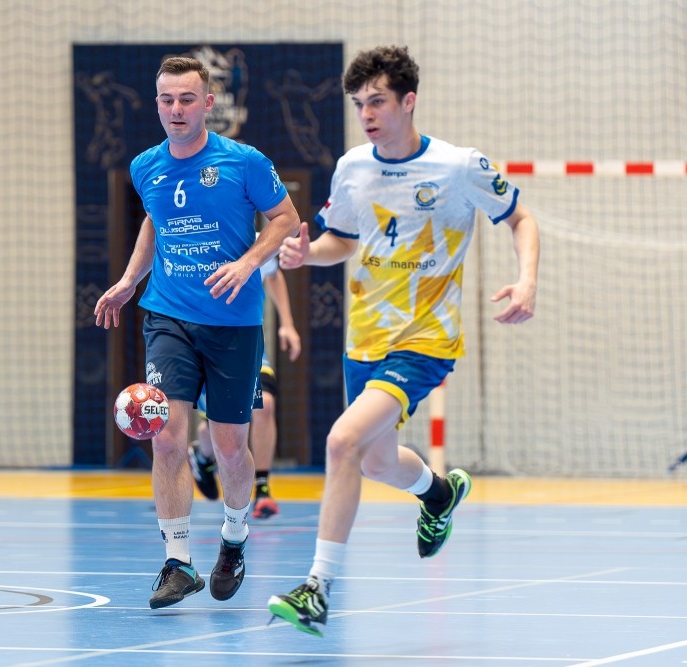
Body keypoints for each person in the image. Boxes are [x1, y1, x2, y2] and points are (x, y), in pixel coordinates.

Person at [267, 45, 540, 637]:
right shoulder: (351, 167)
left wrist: (526, 281)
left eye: (378, 102)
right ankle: (437, 494)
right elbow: (343, 241)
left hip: (425, 339)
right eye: (358, 103)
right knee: (376, 461)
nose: (366, 114)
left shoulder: (458, 166)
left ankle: (316, 589)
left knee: (341, 442)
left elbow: (521, 218)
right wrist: (304, 254)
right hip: (365, 338)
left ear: (408, 101)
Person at [93, 56, 301, 609]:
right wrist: (129, 281)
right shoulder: (145, 167)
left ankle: (233, 539)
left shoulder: (244, 161)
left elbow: (285, 219)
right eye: (167, 100)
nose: (176, 109)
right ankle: (178, 561)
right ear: (157, 104)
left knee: (230, 447)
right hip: (168, 316)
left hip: (233, 320)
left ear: (207, 103)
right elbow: (154, 222)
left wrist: (249, 262)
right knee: (165, 435)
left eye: (187, 99)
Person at [188, 256, 302, 519]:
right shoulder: (197, 244)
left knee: (265, 404)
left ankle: (262, 488)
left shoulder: (256, 242)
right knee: (218, 428)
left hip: (247, 344)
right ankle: (202, 456)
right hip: (208, 345)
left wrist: (287, 323)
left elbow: (273, 273)